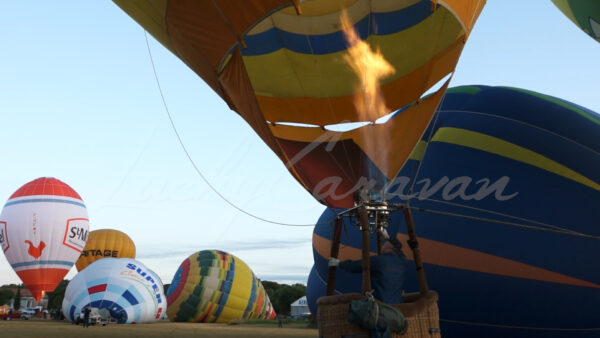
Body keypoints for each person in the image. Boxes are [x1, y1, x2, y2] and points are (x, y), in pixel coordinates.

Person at [328, 229, 406, 304]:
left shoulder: (379, 260)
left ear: (388, 246)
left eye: (384, 243)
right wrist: (387, 237)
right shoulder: (401, 262)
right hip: (396, 306)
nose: (382, 245)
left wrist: (339, 263)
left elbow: (355, 265)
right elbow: (400, 251)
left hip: (379, 306)